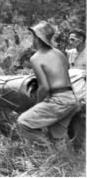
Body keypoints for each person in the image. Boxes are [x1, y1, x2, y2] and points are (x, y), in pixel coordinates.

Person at [17, 21, 80, 149]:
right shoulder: (60, 54)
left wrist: (37, 105)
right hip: (72, 99)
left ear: (38, 38)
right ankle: (61, 162)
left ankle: (47, 149)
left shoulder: (36, 58)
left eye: (33, 37)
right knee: (57, 136)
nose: (32, 40)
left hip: (58, 100)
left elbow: (44, 87)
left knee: (23, 122)